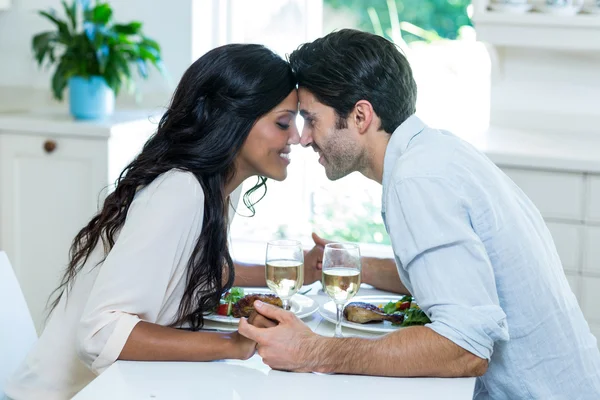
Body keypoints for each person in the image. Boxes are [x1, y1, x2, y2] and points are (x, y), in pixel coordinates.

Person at [239, 29, 600, 399]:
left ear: (361, 116)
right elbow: (454, 275)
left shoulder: (417, 180)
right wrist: (357, 269)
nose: (302, 138)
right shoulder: (436, 152)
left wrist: (310, 350)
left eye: (311, 119)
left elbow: (465, 347)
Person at [5, 43, 321, 400]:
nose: (297, 137)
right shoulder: (179, 191)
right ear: (232, 120)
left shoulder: (214, 190)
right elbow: (101, 334)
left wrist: (297, 273)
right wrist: (232, 345)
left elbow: (200, 271)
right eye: (283, 123)